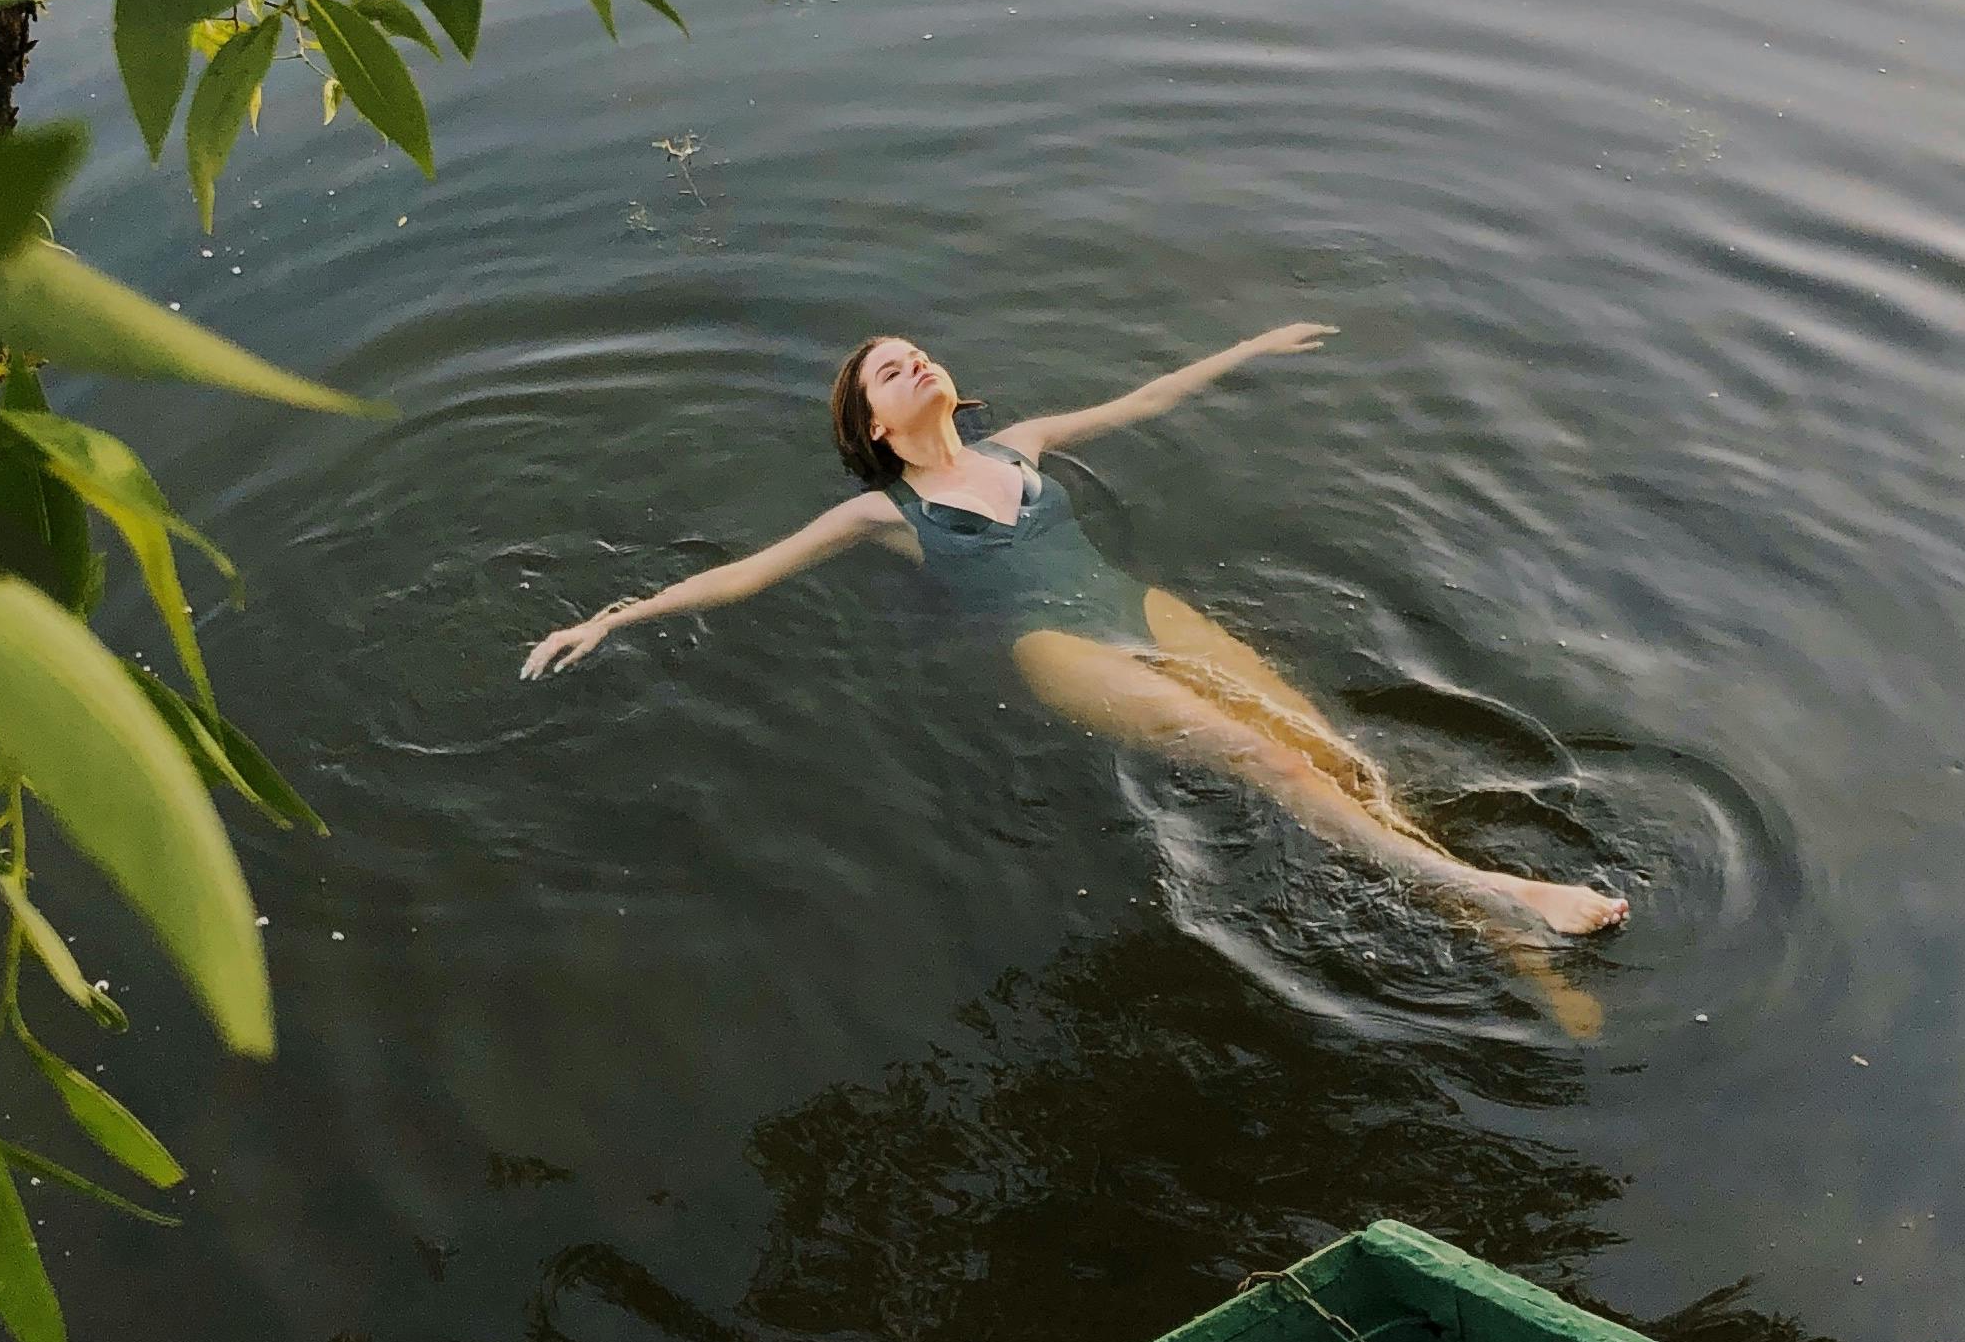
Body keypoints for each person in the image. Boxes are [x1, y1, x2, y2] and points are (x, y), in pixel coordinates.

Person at [520, 323, 1628, 947]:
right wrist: (614, 616)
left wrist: (1245, 347)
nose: (914, 363)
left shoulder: (1023, 445)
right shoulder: (881, 514)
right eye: (886, 371)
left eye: (916, 351)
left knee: (1337, 747)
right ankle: (1503, 896)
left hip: (1136, 608)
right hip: (1059, 650)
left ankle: (1487, 924)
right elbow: (743, 575)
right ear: (871, 426)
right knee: (1270, 759)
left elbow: (1144, 400)